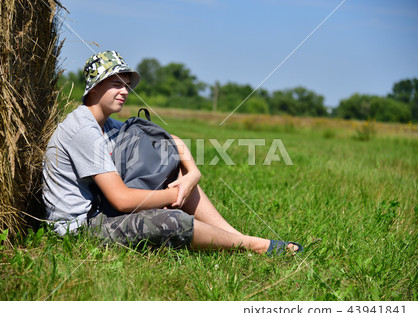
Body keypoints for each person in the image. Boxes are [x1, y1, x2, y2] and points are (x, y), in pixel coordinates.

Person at [42, 50, 302, 255]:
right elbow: (121, 199)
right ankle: (252, 246)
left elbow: (169, 142)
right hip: (81, 229)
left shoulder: (106, 125)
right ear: (95, 86)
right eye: (116, 83)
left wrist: (192, 175)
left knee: (172, 170)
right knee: (172, 221)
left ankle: (237, 237)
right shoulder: (83, 130)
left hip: (102, 211)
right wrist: (175, 194)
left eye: (127, 84)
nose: (125, 91)